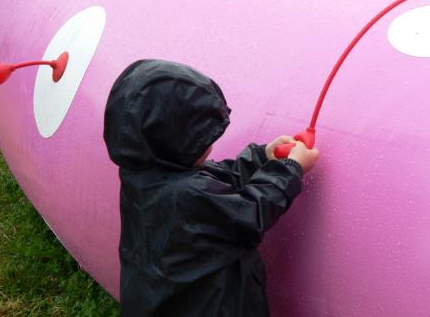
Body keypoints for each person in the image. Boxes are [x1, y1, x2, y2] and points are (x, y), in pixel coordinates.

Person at [103, 59, 319, 317]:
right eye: (202, 138)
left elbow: (211, 181)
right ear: (173, 142)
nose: (211, 145)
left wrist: (261, 157)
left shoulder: (146, 173)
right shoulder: (186, 195)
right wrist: (291, 168)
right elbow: (249, 212)